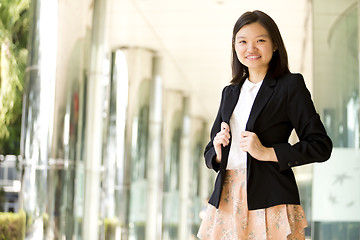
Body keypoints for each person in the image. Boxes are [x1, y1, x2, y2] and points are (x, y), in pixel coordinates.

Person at [197, 10, 332, 239]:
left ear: (275, 44)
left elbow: (320, 145)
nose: (251, 48)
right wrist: (218, 153)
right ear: (235, 46)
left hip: (270, 196)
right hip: (229, 196)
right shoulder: (230, 93)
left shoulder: (290, 86)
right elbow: (211, 150)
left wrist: (267, 152)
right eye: (243, 41)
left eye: (260, 40)